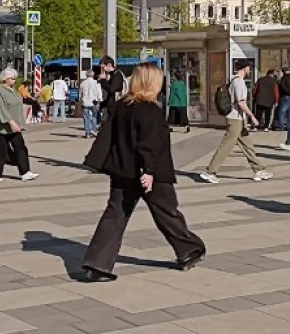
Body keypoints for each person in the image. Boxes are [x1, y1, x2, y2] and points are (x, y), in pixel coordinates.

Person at [80, 62, 206, 280]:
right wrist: (148, 170)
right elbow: (149, 144)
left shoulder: (122, 106)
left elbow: (108, 135)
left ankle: (98, 263)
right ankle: (188, 250)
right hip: (150, 172)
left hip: (122, 171)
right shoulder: (150, 110)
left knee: (115, 215)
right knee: (167, 212)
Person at [199, 62, 273, 184]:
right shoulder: (238, 82)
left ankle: (258, 170)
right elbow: (240, 102)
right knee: (226, 146)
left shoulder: (234, 81)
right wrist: (252, 116)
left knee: (247, 145)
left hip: (238, 119)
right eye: (249, 68)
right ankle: (209, 172)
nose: (250, 70)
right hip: (235, 119)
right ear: (245, 68)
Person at [0, 67, 39, 183]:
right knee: (1, 150)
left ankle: (25, 172)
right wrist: (10, 121)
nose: (14, 81)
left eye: (15, 78)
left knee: (21, 148)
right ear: (5, 79)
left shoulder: (13, 90)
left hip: (16, 125)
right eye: (12, 78)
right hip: (4, 126)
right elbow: (1, 108)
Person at [80, 71, 103, 138]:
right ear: (93, 75)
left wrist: (81, 101)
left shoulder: (82, 83)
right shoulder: (96, 83)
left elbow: (80, 94)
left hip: (85, 102)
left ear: (86, 75)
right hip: (94, 102)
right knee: (94, 117)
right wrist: (100, 101)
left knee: (86, 118)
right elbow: (99, 93)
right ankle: (93, 130)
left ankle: (87, 133)